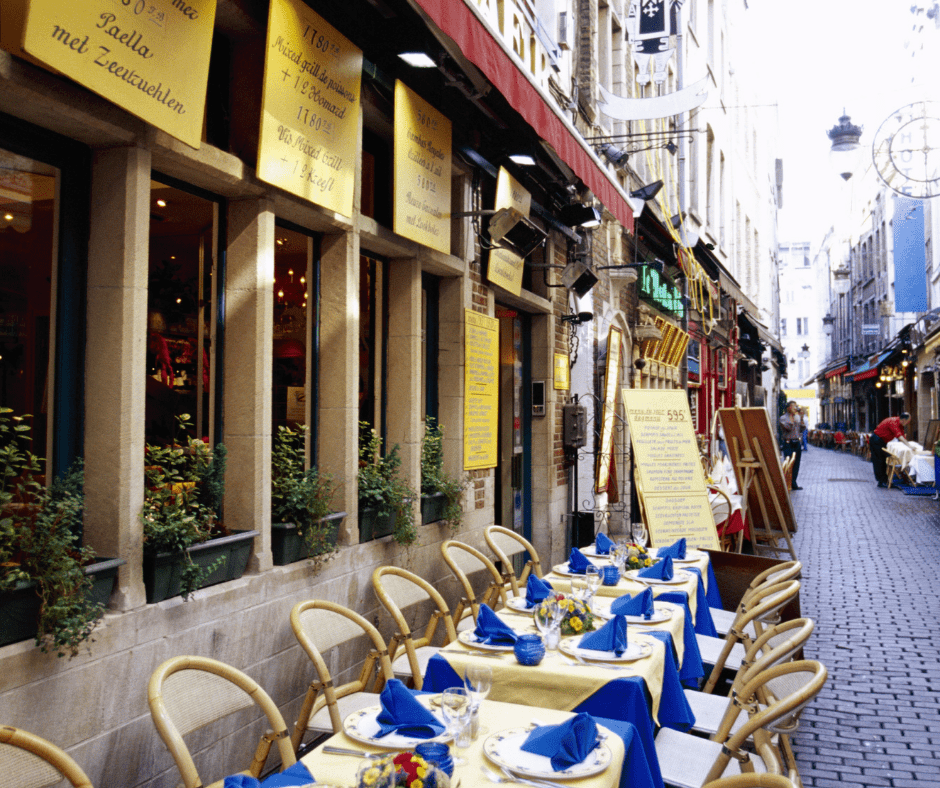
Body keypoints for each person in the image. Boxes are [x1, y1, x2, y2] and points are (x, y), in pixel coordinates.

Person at [870, 412, 914, 488]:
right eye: (908, 421)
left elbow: (902, 435)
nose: (908, 423)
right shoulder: (893, 422)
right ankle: (881, 481)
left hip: (881, 441)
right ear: (903, 420)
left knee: (883, 460)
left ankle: (884, 480)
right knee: (879, 461)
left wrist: (907, 444)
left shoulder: (899, 424)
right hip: (876, 440)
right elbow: (899, 436)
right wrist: (909, 446)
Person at [779, 401, 805, 490]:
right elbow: (788, 428)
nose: (795, 408)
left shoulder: (797, 417)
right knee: (789, 463)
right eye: (793, 406)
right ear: (788, 408)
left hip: (797, 442)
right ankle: (787, 483)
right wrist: (792, 417)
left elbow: (802, 429)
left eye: (796, 406)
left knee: (796, 464)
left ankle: (794, 483)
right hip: (788, 443)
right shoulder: (783, 418)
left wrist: (801, 418)